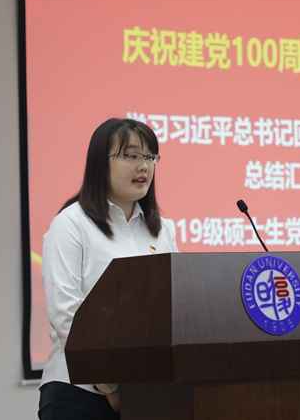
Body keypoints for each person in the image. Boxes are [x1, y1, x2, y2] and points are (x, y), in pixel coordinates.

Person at [38, 117, 179, 420]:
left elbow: (174, 308)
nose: (144, 166)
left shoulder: (162, 230)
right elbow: (66, 313)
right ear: (101, 163)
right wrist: (111, 386)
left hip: (148, 391)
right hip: (79, 394)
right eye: (132, 155)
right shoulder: (71, 224)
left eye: (149, 157)